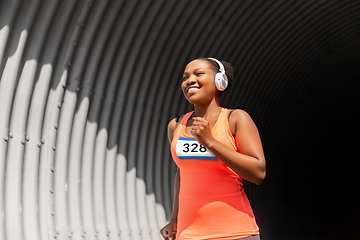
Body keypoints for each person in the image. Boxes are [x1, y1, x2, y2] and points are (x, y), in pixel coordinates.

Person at [160, 57, 266, 240]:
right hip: (188, 234)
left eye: (199, 74)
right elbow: (182, 174)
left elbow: (258, 173)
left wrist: (211, 142)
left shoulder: (236, 119)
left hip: (235, 233)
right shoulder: (175, 126)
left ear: (220, 81)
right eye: (185, 77)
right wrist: (174, 219)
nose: (189, 80)